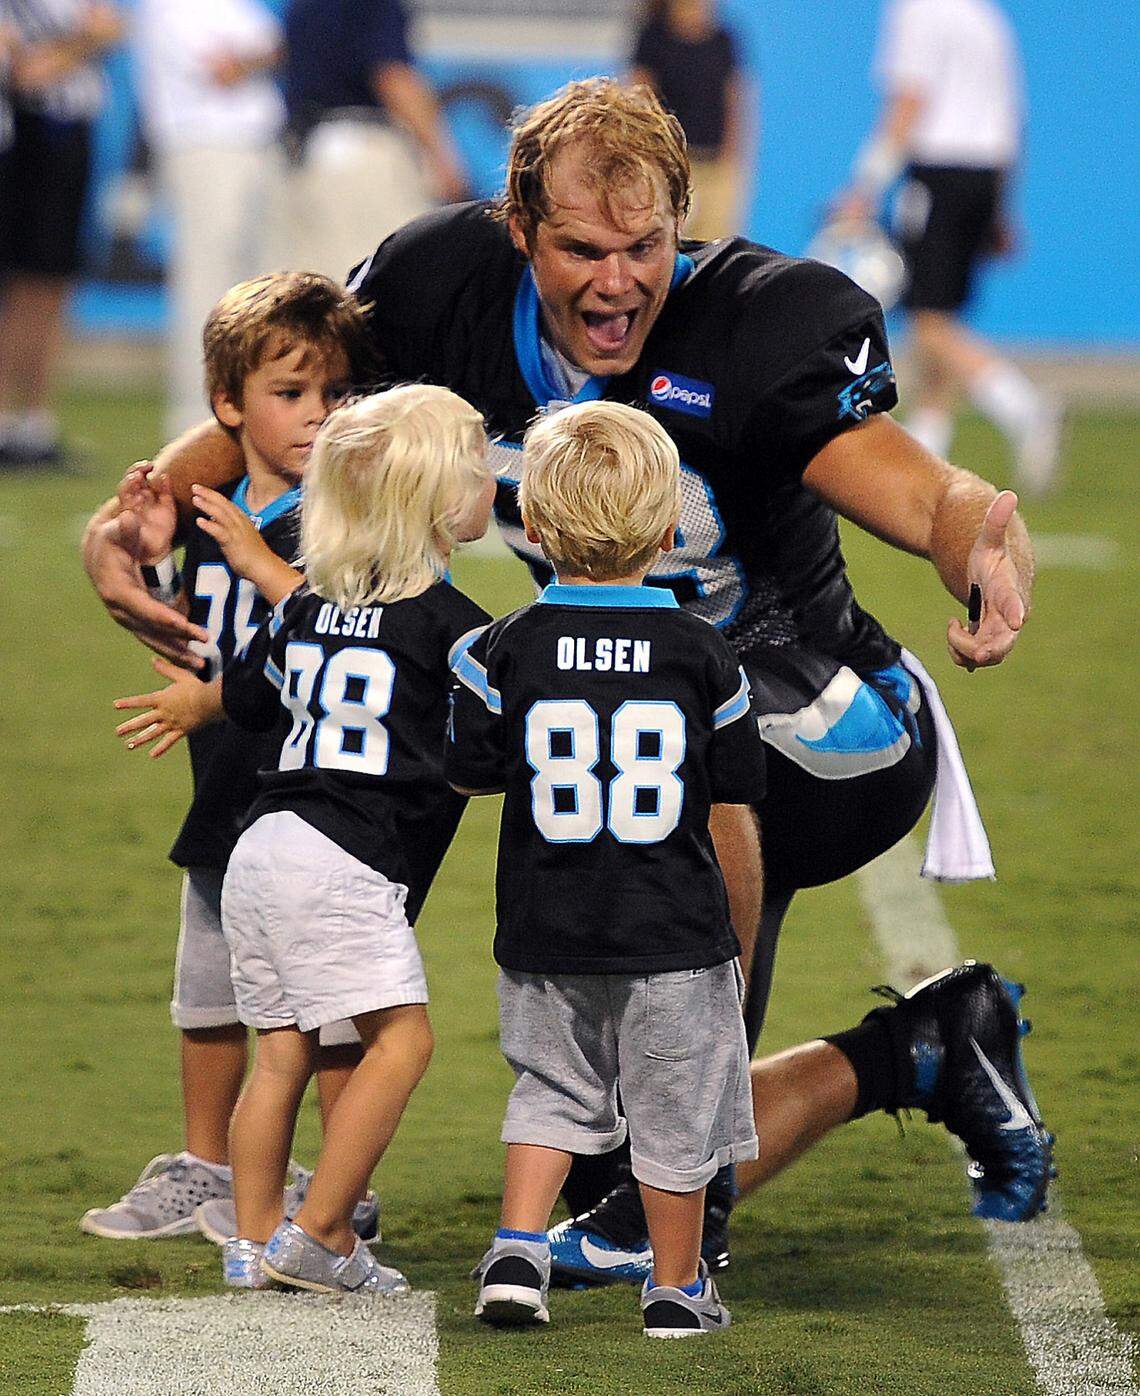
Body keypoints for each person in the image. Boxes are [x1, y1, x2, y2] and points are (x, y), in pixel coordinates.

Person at [80, 79, 1054, 1283]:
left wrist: (979, 546)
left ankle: (691, 1147)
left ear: (679, 227)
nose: (615, 281)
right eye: (582, 248)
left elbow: (919, 488)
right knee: (607, 1148)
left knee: (662, 1146)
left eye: (644, 246)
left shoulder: (754, 324)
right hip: (616, 698)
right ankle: (920, 1047)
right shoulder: (444, 291)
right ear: (519, 231)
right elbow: (287, 406)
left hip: (815, 709)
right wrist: (154, 510)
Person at [114, 384, 496, 1294]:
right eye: (479, 463)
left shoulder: (304, 606)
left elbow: (246, 698)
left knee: (280, 1052)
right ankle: (321, 1231)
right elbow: (484, 759)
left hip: (262, 842)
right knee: (402, 1044)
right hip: (347, 856)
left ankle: (252, 1244)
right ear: (440, 499)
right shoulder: (460, 630)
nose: (493, 477)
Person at [79, 271, 382, 1243]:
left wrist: (207, 695)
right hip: (222, 796)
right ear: (226, 404)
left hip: (317, 808)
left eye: (335, 395)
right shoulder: (211, 504)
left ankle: (342, 1186)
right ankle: (208, 1166)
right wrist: (158, 555)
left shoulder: (346, 517)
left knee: (328, 1006)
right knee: (206, 993)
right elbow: (195, 627)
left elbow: (324, 640)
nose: (317, 417)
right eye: (290, 395)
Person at [452, 401, 764, 1337]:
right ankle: (674, 1287)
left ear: (535, 526)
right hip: (670, 923)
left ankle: (517, 1248)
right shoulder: (706, 653)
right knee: (676, 1112)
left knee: (550, 1089)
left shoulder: (502, 648)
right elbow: (734, 786)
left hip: (545, 917)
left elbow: (469, 771)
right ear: (672, 530)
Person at [834, 0, 1063, 493]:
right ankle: (929, 450)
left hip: (941, 174)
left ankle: (1026, 408)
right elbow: (1012, 120)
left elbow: (908, 102)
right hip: (985, 176)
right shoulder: (986, 17)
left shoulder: (917, 11)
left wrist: (865, 186)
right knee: (943, 317)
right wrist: (1002, 208)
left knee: (928, 321)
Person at [132, 0, 286, 436]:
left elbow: (266, 48)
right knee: (208, 286)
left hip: (249, 143)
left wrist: (262, 54)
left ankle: (249, 409)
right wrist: (264, 54)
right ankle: (197, 419)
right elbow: (225, 67)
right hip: (205, 144)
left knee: (256, 290)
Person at [0, 0, 123, 468]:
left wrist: (77, 46)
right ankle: (8, 421)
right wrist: (87, 41)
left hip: (70, 133)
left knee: (53, 283)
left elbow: (109, 29)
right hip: (29, 134)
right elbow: (28, 73)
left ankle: (34, 421)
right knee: (21, 285)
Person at [273, 0, 468, 282]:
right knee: (381, 286)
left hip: (310, 152)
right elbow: (390, 76)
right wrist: (443, 157)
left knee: (320, 295)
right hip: (362, 152)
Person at [629, 0, 750, 241]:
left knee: (719, 242)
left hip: (716, 164)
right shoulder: (652, 38)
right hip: (672, 164)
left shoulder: (723, 40)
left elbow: (736, 102)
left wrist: (734, 161)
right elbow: (641, 99)